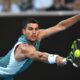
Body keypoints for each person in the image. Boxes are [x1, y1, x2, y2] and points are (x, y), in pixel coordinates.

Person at [0, 15, 80, 80]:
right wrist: (56, 58)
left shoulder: (38, 35)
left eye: (36, 29)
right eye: (30, 29)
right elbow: (40, 56)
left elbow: (61, 26)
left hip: (7, 76)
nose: (34, 32)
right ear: (24, 31)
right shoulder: (24, 48)